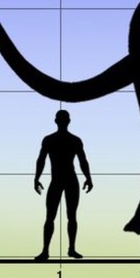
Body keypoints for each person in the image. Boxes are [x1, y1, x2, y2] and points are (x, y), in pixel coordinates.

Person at [33, 109, 94, 261]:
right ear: (67, 121)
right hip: (61, 180)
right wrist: (36, 178)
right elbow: (41, 160)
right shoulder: (54, 140)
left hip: (67, 180)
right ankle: (47, 251)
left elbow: (83, 161)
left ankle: (68, 249)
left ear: (57, 121)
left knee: (67, 216)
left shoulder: (68, 140)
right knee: (54, 217)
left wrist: (88, 177)